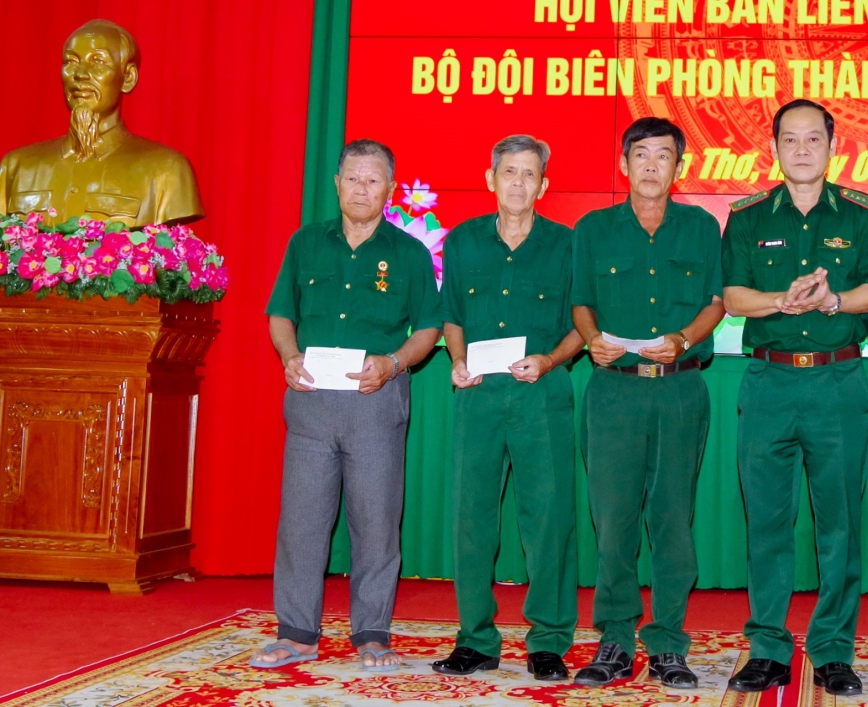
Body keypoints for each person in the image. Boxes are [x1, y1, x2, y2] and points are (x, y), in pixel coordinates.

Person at [721, 99, 868, 697]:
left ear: (832, 146)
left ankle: (833, 649)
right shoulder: (747, 216)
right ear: (774, 148)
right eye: (790, 139)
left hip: (837, 384)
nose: (801, 149)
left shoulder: (862, 213)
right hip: (768, 383)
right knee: (767, 520)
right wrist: (783, 301)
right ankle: (768, 648)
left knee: (839, 522)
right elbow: (733, 297)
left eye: (813, 139)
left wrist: (831, 301)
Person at [255, 139, 441, 670]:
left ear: (391, 189)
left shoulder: (409, 253)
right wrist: (289, 355)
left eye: (373, 180)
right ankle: (296, 634)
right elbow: (281, 313)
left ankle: (373, 634)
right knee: (301, 521)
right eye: (353, 179)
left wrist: (394, 363)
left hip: (374, 401)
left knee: (376, 521)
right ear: (337, 184)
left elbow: (429, 328)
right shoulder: (306, 243)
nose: (362, 189)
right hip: (311, 400)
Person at [569, 117, 726, 689]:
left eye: (663, 155)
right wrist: (591, 339)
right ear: (624, 164)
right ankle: (614, 639)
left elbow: (716, 302)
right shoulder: (594, 228)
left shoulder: (701, 227)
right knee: (613, 520)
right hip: (614, 392)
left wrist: (683, 339)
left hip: (680, 389)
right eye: (641, 155)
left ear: (678, 166)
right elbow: (581, 302)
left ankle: (667, 644)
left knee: (672, 520)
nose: (652, 165)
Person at [430, 135, 584, 682]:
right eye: (509, 172)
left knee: (549, 519)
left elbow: (582, 325)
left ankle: (549, 641)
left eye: (529, 174)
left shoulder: (567, 244)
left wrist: (550, 360)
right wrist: (456, 360)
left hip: (542, 395)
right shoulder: (463, 241)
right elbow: (452, 315)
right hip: (479, 395)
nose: (518, 182)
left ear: (544, 185)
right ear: (490, 179)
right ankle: (476, 639)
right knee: (471, 518)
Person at [0, 18, 203, 226]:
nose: (80, 74)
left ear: (128, 78)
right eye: (71, 61)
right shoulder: (16, 166)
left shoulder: (166, 170)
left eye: (98, 61)